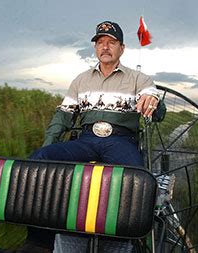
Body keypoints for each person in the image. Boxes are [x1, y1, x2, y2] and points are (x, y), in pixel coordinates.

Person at [19, 20, 165, 252]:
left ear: (122, 48)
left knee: (137, 178)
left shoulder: (139, 79)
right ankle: (39, 240)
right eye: (100, 42)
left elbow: (155, 106)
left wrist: (153, 101)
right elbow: (63, 116)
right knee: (40, 158)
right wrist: (48, 149)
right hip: (86, 140)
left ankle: (128, 239)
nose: (105, 47)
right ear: (95, 47)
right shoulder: (81, 80)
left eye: (111, 42)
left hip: (121, 140)